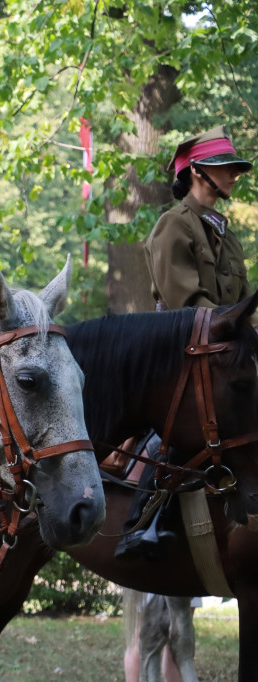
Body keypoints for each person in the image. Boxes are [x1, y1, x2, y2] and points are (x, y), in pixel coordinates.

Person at [115, 125, 254, 560]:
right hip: (184, 350)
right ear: (197, 172)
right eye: (224, 168)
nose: (233, 176)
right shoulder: (173, 226)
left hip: (224, 350)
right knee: (177, 427)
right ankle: (140, 525)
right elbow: (188, 305)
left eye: (234, 168)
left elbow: (241, 302)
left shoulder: (224, 232)